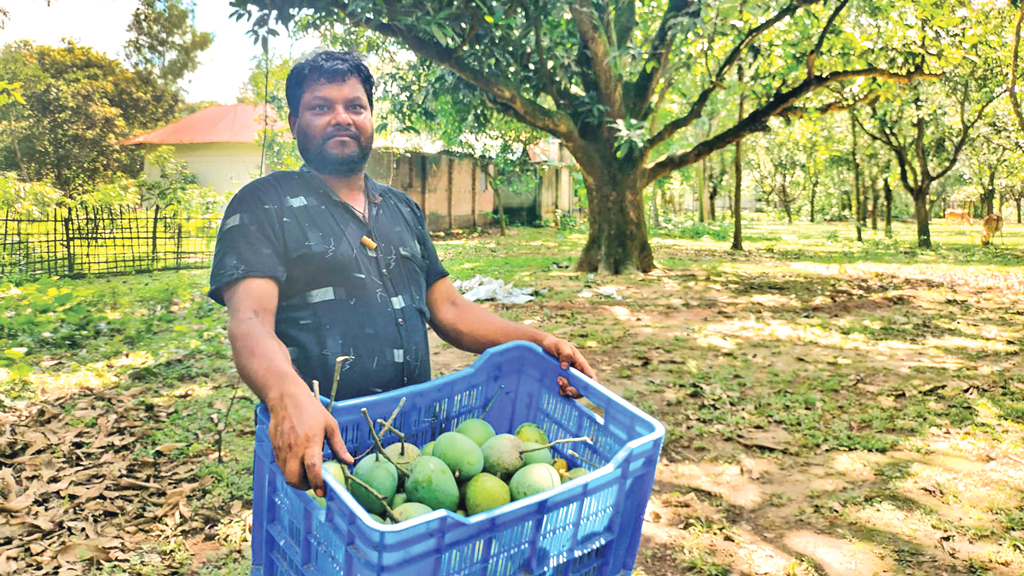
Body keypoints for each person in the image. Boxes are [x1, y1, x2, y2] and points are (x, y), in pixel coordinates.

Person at [208, 51, 595, 499]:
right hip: (322, 443)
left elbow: (448, 308)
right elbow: (251, 321)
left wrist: (534, 340)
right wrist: (286, 397)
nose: (342, 118)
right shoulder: (263, 205)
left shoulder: (401, 209)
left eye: (355, 106)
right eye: (321, 107)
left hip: (415, 445)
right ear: (294, 123)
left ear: (371, 118)